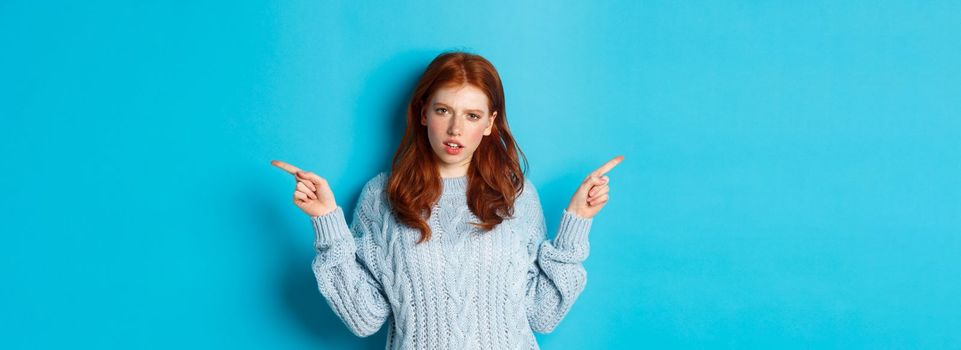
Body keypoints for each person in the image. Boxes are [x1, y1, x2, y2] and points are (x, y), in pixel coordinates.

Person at [271, 51, 623, 349]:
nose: (455, 129)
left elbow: (542, 315)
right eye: (443, 110)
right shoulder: (382, 196)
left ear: (489, 124)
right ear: (423, 113)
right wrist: (327, 222)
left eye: (472, 115)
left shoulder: (515, 195)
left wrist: (577, 222)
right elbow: (365, 318)